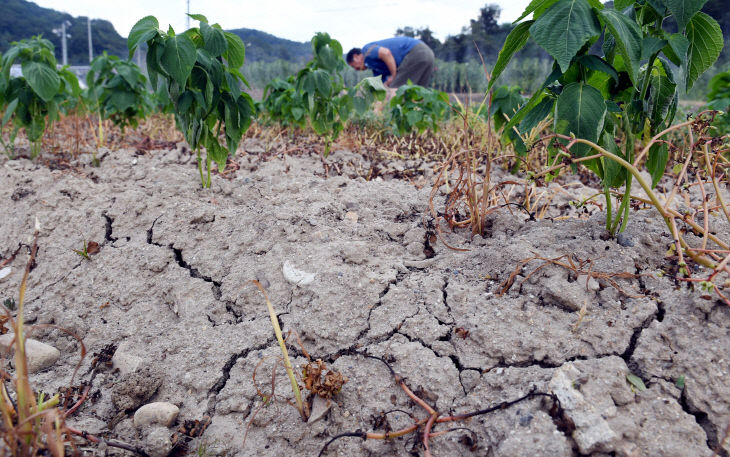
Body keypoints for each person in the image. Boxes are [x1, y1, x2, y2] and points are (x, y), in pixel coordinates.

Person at [346, 36, 434, 88]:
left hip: (414, 52)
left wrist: (393, 76)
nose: (356, 69)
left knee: (396, 91)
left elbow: (386, 53)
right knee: (419, 94)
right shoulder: (376, 69)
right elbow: (384, 86)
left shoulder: (366, 51)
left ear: (356, 56)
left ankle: (391, 118)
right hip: (428, 53)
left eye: (354, 66)